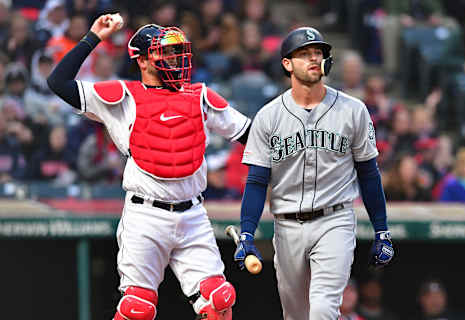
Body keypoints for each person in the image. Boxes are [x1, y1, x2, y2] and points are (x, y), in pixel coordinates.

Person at [47, 14, 252, 320]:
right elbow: (58, 82)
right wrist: (94, 37)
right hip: (146, 216)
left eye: (174, 51)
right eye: (164, 52)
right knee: (138, 308)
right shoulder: (123, 95)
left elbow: (252, 135)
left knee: (220, 300)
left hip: (193, 214)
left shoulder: (200, 96)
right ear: (143, 61)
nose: (173, 58)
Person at [232, 26, 394, 320]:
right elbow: (257, 181)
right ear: (287, 64)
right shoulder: (269, 116)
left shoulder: (353, 110)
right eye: (304, 54)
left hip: (335, 219)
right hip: (287, 225)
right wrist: (246, 232)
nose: (313, 59)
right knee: (296, 315)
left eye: (318, 53)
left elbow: (369, 174)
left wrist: (381, 229)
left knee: (322, 309)